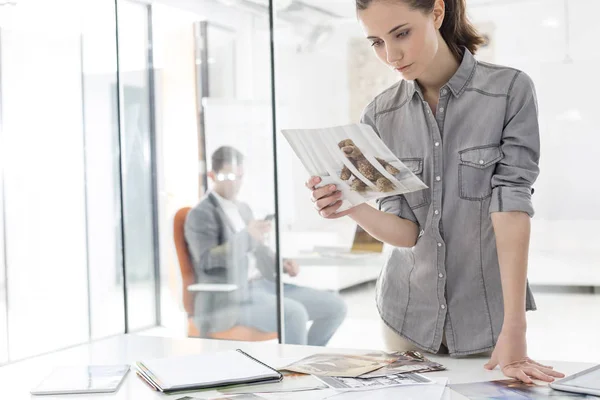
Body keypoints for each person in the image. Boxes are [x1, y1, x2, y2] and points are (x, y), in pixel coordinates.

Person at [306, 0, 565, 383]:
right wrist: (351, 205)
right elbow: (407, 232)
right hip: (405, 320)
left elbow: (511, 207)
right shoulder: (378, 117)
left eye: (402, 33)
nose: (390, 55)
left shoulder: (509, 91)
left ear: (437, 13)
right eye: (376, 42)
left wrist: (515, 326)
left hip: (486, 322)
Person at [185, 146, 347, 346]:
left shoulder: (243, 209)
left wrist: (281, 263)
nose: (236, 183)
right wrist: (247, 236)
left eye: (240, 176)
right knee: (294, 314)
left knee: (335, 306)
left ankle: (305, 361)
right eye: (228, 176)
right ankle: (295, 369)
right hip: (232, 297)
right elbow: (207, 260)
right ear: (212, 175)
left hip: (263, 287)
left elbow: (258, 250)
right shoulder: (200, 214)